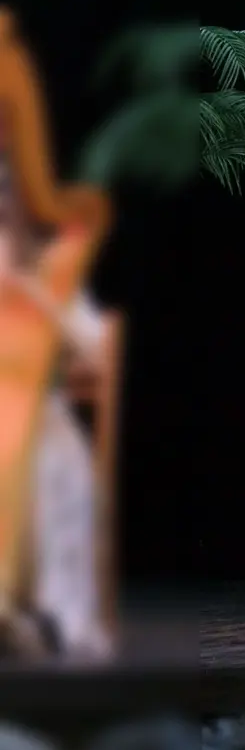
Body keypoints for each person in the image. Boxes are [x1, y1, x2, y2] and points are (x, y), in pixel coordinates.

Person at [0, 158, 114, 661]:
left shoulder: (55, 280)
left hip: (41, 416)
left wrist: (35, 296)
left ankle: (27, 613)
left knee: (48, 464)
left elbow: (95, 355)